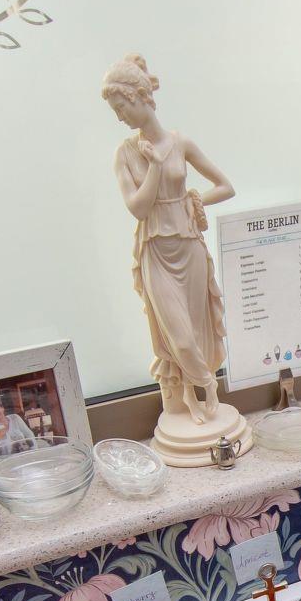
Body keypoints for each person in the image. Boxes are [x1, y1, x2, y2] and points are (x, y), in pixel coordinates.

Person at [101, 54, 236, 427]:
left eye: (121, 107)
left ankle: (193, 394)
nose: (120, 117)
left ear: (139, 96)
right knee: (179, 337)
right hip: (155, 252)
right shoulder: (125, 154)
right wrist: (156, 167)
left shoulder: (181, 143)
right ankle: (207, 385)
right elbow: (138, 208)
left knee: (197, 330)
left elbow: (225, 187)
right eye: (115, 111)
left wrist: (193, 200)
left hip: (189, 246)